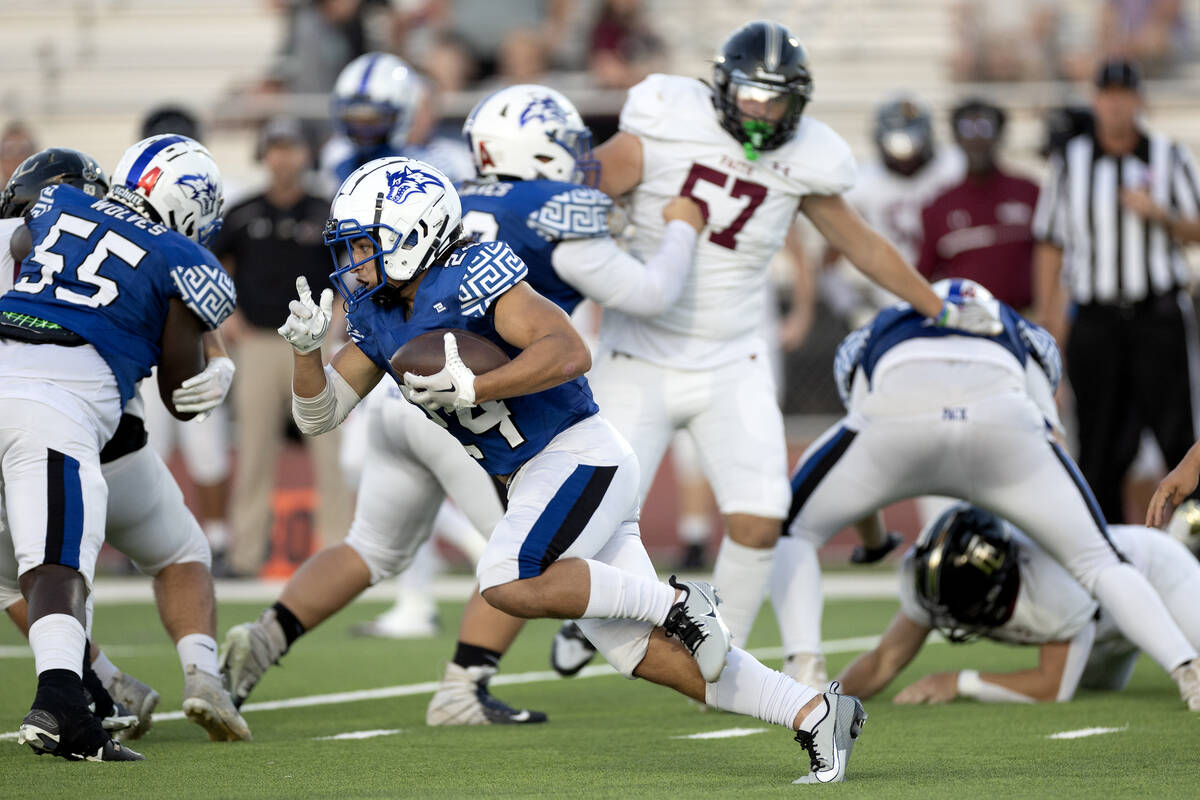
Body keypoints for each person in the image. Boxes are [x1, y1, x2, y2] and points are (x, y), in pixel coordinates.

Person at [273, 154, 867, 782]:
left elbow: (568, 351)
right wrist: (307, 353)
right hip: (536, 474)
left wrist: (476, 387)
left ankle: (677, 600)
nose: (354, 260)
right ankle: (812, 712)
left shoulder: (473, 272)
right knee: (639, 652)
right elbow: (319, 415)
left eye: (366, 244)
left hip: (578, 453)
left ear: (412, 234)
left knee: (505, 579)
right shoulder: (377, 313)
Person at [577, 20, 1000, 678]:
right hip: (638, 352)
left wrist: (935, 305)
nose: (763, 112)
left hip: (732, 357)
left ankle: (716, 659)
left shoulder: (809, 157)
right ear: (722, 89)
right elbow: (583, 187)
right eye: (752, 95)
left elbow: (862, 245)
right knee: (594, 512)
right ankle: (591, 616)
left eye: (777, 100)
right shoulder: (664, 119)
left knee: (760, 517)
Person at [774, 276, 1200, 710]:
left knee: (791, 528)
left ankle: (803, 668)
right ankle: (1188, 671)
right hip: (1004, 420)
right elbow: (1049, 425)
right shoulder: (1017, 327)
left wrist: (872, 543)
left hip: (899, 414)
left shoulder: (886, 323)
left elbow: (859, 431)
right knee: (1097, 559)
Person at [0, 134, 237, 760]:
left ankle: (96, 692)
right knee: (57, 567)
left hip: (10, 371)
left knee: (13, 576)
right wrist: (210, 370)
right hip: (58, 405)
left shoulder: (57, 209)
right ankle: (63, 706)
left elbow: (25, 248)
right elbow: (178, 387)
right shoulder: (185, 259)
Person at [1032, 59, 1200, 524]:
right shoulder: (1071, 164)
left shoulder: (1171, 156)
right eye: (1107, 95)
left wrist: (1162, 215)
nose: (1116, 104)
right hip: (1097, 319)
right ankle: (1105, 556)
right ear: (1096, 100)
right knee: (1102, 448)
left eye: (1125, 94)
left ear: (1139, 100)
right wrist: (1050, 324)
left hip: (1158, 315)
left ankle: (1193, 548)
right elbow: (1050, 245)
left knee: (1180, 439)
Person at [838, 504, 1200, 705]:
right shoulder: (934, 581)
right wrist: (819, 702)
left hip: (1157, 576)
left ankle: (1181, 539)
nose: (950, 618)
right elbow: (883, 661)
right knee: (1102, 687)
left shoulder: (1052, 585)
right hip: (1097, 630)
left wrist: (957, 682)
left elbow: (1052, 689)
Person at [212, 117, 354, 577]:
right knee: (253, 450)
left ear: (305, 153)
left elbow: (352, 265)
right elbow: (215, 264)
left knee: (329, 450)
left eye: (291, 147)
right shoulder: (244, 212)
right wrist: (228, 317)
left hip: (314, 344)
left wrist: (336, 323)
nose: (283, 157)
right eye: (275, 147)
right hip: (258, 341)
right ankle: (244, 554)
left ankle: (339, 553)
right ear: (263, 153)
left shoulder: (325, 210)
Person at [828, 94, 966, 326]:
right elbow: (830, 260)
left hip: (956, 299)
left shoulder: (955, 167)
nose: (904, 154)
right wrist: (851, 306)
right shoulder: (864, 183)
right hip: (896, 307)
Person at [916, 99, 1040, 311]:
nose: (977, 139)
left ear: (1000, 134)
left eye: (984, 128)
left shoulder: (1030, 193)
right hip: (965, 325)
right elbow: (925, 273)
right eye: (968, 129)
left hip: (1025, 319)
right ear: (956, 137)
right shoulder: (939, 206)